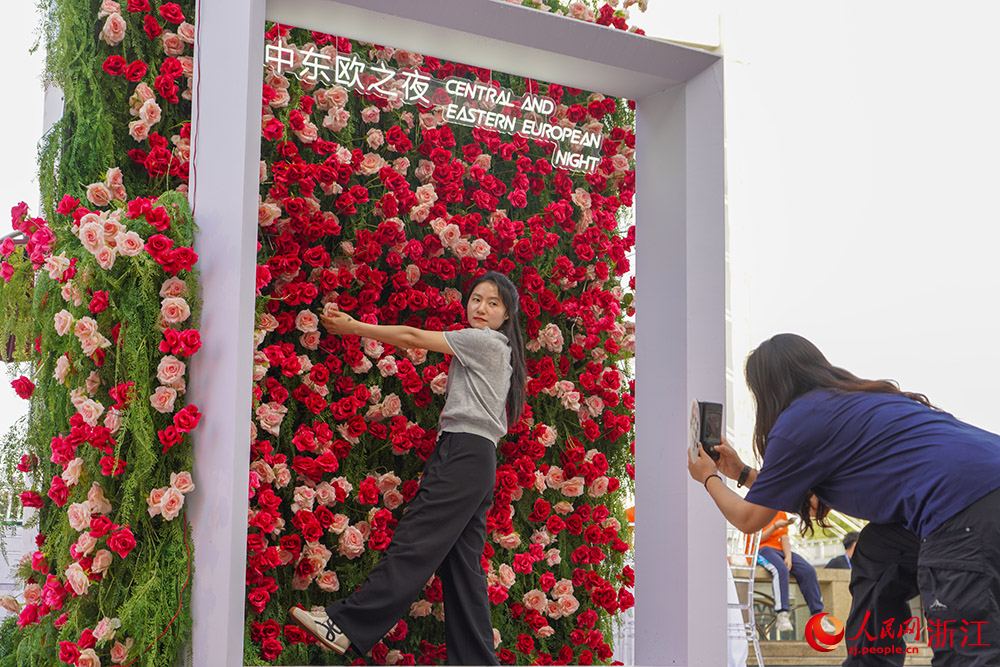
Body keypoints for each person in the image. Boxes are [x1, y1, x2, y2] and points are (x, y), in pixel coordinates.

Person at [688, 333, 1000, 667]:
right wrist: (742, 473)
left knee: (968, 653)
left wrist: (707, 476)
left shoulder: (797, 422)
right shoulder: (859, 398)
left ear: (766, 388)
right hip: (975, 492)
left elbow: (748, 518)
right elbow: (811, 505)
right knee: (878, 551)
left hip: (961, 509)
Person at [289, 271, 526, 666]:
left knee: (415, 543)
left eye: (493, 303)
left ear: (506, 316)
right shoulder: (495, 348)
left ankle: (345, 625)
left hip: (463, 454)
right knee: (463, 571)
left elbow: (415, 338)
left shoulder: (483, 342)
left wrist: (354, 327)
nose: (481, 308)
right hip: (478, 459)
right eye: (477, 299)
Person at [754, 511, 827, 633]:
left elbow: (784, 538)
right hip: (762, 549)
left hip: (780, 550)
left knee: (808, 570)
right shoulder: (757, 508)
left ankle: (818, 615)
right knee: (780, 569)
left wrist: (788, 556)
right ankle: (782, 614)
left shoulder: (780, 512)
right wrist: (775, 526)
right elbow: (757, 539)